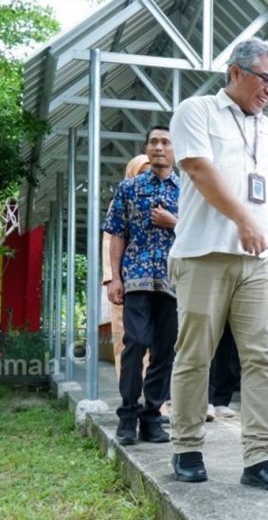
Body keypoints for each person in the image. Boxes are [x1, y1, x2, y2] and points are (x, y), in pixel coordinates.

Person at [167, 37, 268, 491]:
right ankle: (185, 446)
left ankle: (260, 458)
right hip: (205, 251)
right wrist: (242, 218)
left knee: (263, 357)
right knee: (195, 353)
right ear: (236, 72)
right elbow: (200, 170)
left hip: (262, 259)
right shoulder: (195, 111)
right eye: (265, 80)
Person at [103, 126, 179, 446]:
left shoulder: (189, 189)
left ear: (176, 148)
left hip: (175, 281)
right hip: (136, 279)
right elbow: (117, 232)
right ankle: (128, 414)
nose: (159, 147)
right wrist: (115, 277)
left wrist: (173, 222)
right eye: (154, 142)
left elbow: (206, 231)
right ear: (146, 148)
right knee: (135, 342)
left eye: (165, 142)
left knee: (164, 349)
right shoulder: (129, 188)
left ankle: (152, 416)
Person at [102, 154, 152, 379]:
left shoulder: (163, 201)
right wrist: (113, 279)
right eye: (141, 173)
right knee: (126, 337)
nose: (145, 178)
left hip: (155, 284)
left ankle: (155, 395)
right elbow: (109, 241)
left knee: (156, 339)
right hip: (125, 283)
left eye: (149, 173)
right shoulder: (120, 202)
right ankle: (130, 389)